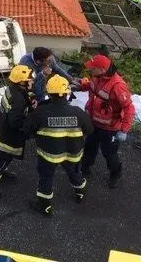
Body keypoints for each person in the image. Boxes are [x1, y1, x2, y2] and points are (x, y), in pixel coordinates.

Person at [23, 76, 93, 217]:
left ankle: (45, 207)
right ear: (67, 92)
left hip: (49, 156)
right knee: (75, 173)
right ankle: (80, 192)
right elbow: (89, 130)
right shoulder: (78, 112)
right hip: (73, 154)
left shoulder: (40, 112)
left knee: (46, 179)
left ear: (49, 93)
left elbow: (27, 131)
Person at [80, 54, 135, 188]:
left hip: (110, 127)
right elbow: (93, 88)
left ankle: (115, 174)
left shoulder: (118, 86)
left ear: (102, 69)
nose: (90, 70)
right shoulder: (97, 77)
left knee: (109, 153)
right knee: (89, 147)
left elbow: (129, 108)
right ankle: (85, 168)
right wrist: (82, 85)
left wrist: (124, 130)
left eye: (93, 68)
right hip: (94, 123)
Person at [0, 65, 36, 197]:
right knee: (4, 158)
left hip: (1, 129)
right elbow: (15, 122)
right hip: (8, 136)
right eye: (29, 79)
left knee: (3, 157)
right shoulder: (18, 99)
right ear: (21, 82)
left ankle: (2, 171)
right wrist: (29, 123)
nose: (32, 81)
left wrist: (29, 102)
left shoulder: (12, 89)